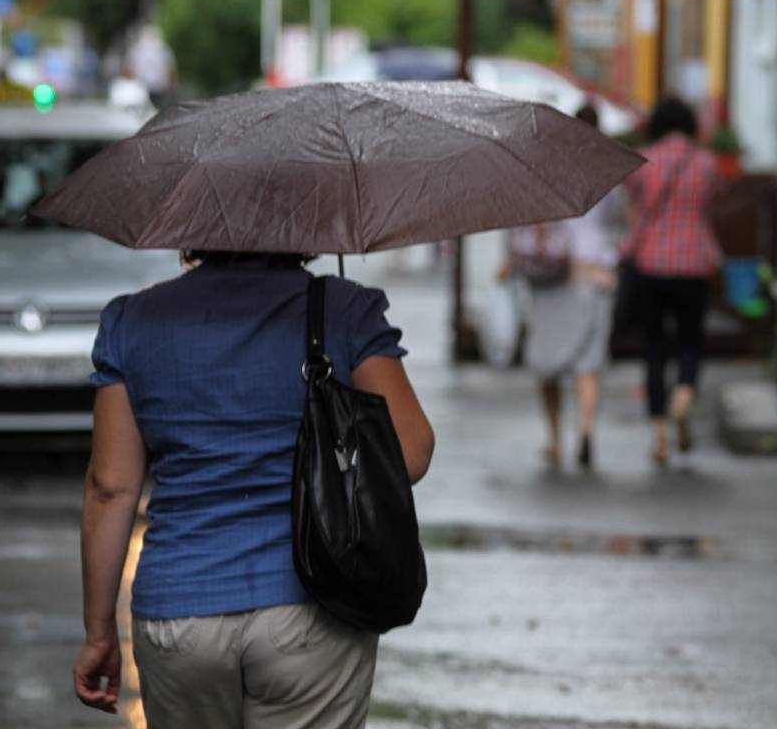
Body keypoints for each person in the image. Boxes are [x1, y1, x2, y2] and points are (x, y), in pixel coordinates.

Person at [72, 251, 435, 727]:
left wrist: (100, 632)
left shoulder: (132, 321)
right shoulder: (341, 310)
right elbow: (411, 452)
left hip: (179, 609)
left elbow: (111, 490)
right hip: (313, 605)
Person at [506, 105, 621, 470]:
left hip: (556, 276)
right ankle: (586, 429)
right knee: (590, 360)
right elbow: (618, 222)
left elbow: (532, 225)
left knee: (548, 359)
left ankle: (556, 438)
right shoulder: (610, 169)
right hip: (599, 272)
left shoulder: (548, 169)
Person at [622, 95, 724, 466]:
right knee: (690, 341)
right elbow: (715, 196)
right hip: (694, 264)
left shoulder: (644, 163)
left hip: (650, 263)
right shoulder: (706, 163)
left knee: (654, 347)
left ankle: (660, 436)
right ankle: (683, 395)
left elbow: (633, 202)